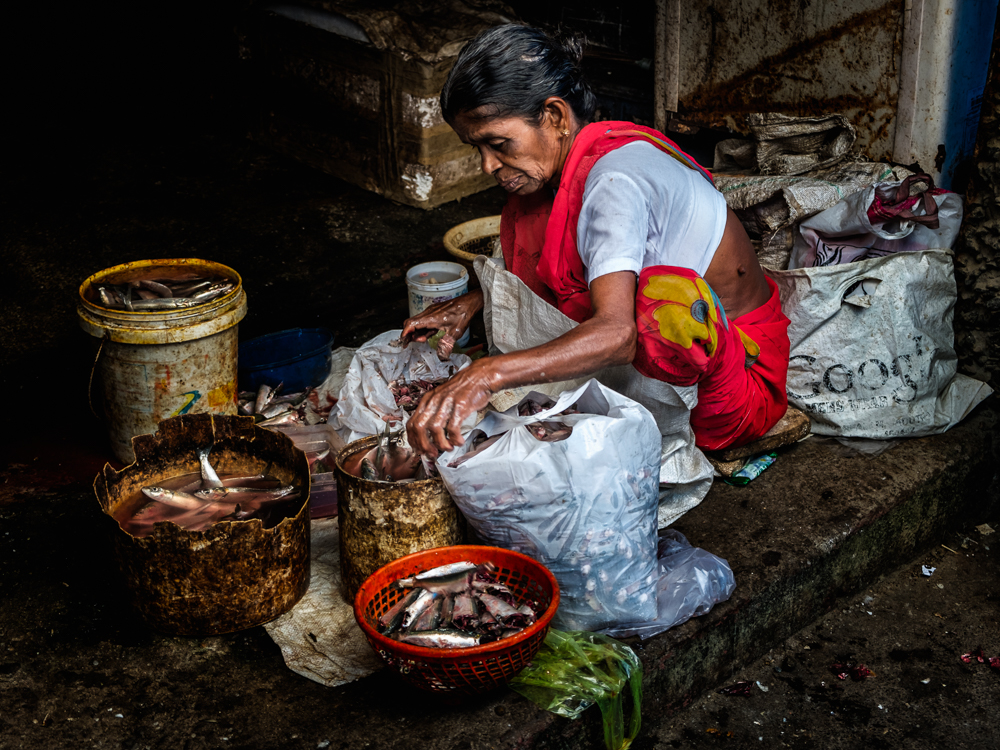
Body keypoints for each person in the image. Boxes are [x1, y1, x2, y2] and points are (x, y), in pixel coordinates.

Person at [403, 23, 789, 458]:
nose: (488, 165)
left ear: (555, 117)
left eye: (498, 144)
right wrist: (476, 300)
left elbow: (618, 334)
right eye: (478, 150)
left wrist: (485, 375)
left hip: (740, 385)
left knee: (662, 305)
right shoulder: (567, 171)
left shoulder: (614, 180)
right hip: (693, 366)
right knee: (535, 218)